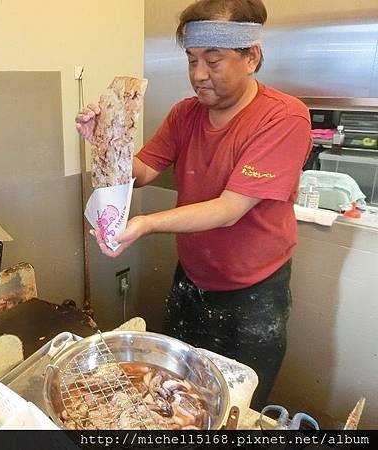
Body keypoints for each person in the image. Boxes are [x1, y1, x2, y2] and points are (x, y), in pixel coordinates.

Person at [75, 0, 312, 410]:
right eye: (192, 60)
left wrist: (145, 224)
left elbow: (229, 208)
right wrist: (104, 139)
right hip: (192, 278)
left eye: (213, 61)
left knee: (237, 405)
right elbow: (143, 170)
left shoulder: (284, 118)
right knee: (177, 391)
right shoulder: (185, 114)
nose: (199, 75)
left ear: (251, 57)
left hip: (254, 291)